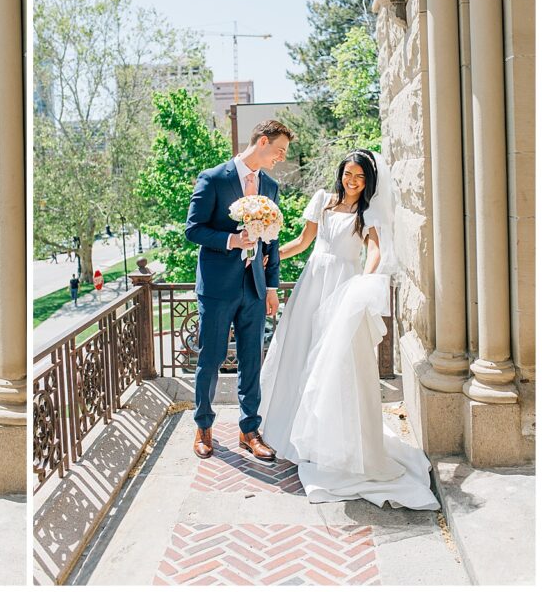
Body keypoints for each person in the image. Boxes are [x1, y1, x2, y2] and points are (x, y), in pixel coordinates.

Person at [258, 149, 438, 510]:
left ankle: (334, 440)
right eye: (348, 174)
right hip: (313, 282)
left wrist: (365, 281)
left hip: (344, 284)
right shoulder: (322, 201)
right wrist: (271, 259)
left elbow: (374, 250)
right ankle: (291, 435)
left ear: (368, 181)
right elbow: (303, 242)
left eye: (359, 177)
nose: (352, 181)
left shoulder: (366, 211)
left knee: (337, 362)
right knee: (300, 350)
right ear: (340, 173)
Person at [185, 120, 292, 461]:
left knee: (251, 360)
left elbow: (272, 241)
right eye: (279, 150)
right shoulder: (214, 178)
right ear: (262, 141)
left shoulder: (270, 187)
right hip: (217, 287)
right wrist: (231, 240)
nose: (281, 158)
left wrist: (272, 286)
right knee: (211, 358)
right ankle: (204, 426)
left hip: (254, 288)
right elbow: (193, 229)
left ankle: (250, 430)